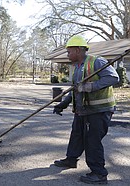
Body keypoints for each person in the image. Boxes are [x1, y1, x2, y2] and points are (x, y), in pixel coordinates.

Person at [52, 35, 119, 184]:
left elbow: (114, 78)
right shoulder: (77, 68)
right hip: (83, 110)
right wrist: (63, 104)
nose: (67, 55)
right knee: (76, 134)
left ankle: (99, 174)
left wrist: (90, 87)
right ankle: (71, 159)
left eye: (69, 52)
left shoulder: (97, 61)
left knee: (92, 141)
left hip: (99, 110)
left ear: (77, 50)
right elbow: (76, 90)